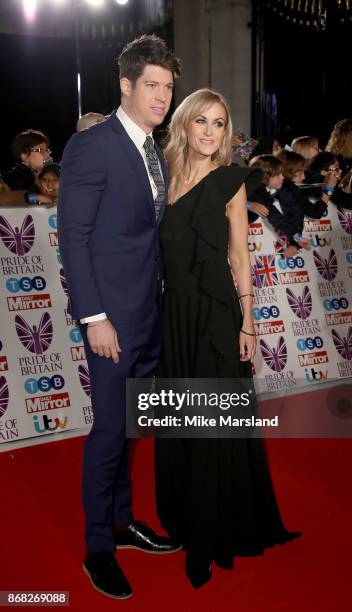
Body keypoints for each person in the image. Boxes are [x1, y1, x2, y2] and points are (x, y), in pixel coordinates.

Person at [155, 89, 301, 589]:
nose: (210, 132)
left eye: (219, 124)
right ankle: (183, 518)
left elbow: (240, 257)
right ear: (185, 124)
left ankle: (209, 538)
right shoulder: (164, 176)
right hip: (174, 313)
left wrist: (249, 324)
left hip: (217, 313)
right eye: (201, 121)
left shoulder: (231, 183)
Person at [58, 34, 182, 600]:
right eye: (152, 86)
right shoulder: (95, 145)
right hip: (111, 319)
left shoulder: (151, 148)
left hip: (147, 312)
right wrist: (95, 317)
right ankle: (97, 547)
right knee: (110, 430)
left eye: (168, 87)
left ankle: (123, 521)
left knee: (134, 427)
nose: (162, 96)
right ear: (127, 86)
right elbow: (75, 239)